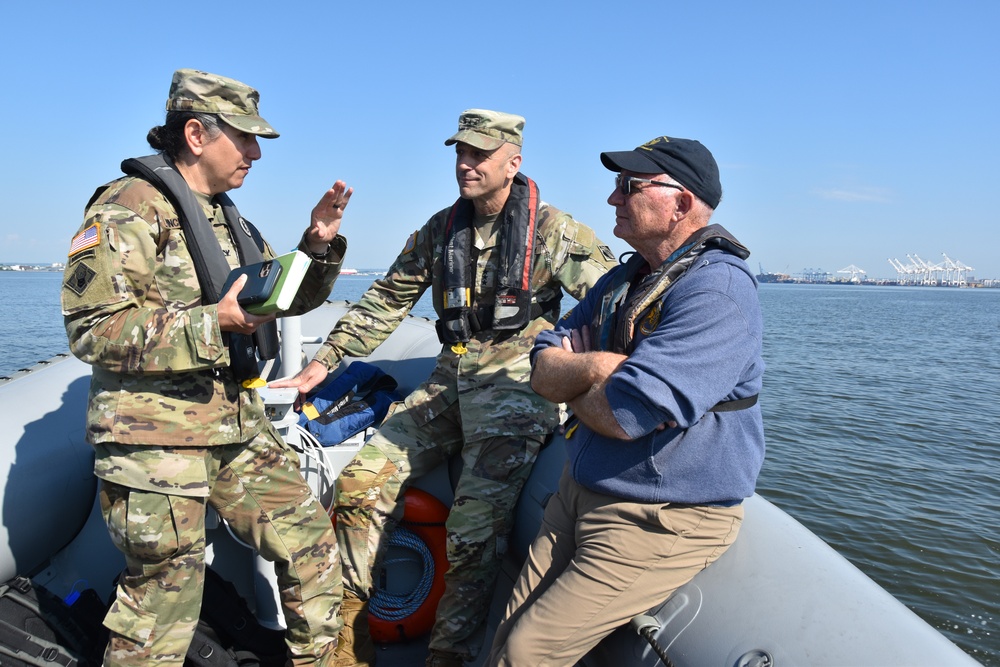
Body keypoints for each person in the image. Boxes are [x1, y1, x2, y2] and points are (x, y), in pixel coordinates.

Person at [271, 109, 616, 666]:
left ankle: (447, 658)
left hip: (515, 394)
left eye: (480, 154)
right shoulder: (441, 230)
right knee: (361, 483)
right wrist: (326, 361)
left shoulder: (555, 232)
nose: (465, 163)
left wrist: (593, 377)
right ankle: (347, 649)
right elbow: (388, 297)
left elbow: (612, 303)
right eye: (460, 151)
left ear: (513, 161)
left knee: (472, 531)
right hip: (448, 384)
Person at [61, 69, 352, 667]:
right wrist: (209, 323)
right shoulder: (128, 208)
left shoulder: (227, 218)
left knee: (310, 544)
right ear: (196, 134)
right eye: (244, 138)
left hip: (236, 428)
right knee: (162, 603)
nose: (255, 152)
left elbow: (279, 298)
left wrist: (317, 248)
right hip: (157, 445)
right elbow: (90, 329)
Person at [486, 136, 766, 666]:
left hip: (659, 514)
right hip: (580, 489)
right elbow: (543, 364)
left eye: (628, 186)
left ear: (681, 203)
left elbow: (623, 415)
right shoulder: (625, 277)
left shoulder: (717, 293)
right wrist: (597, 367)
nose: (613, 199)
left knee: (526, 651)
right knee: (507, 628)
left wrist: (585, 389)